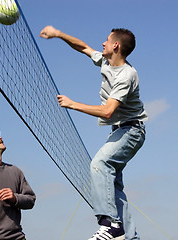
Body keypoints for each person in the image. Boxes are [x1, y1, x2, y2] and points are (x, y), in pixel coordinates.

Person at [40, 26, 148, 240]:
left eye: (107, 40)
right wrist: (59, 34)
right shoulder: (107, 62)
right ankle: (130, 236)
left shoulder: (127, 75)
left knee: (100, 164)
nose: (102, 43)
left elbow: (108, 111)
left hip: (132, 130)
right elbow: (83, 47)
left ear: (116, 45)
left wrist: (72, 104)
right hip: (120, 130)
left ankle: (110, 225)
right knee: (113, 185)